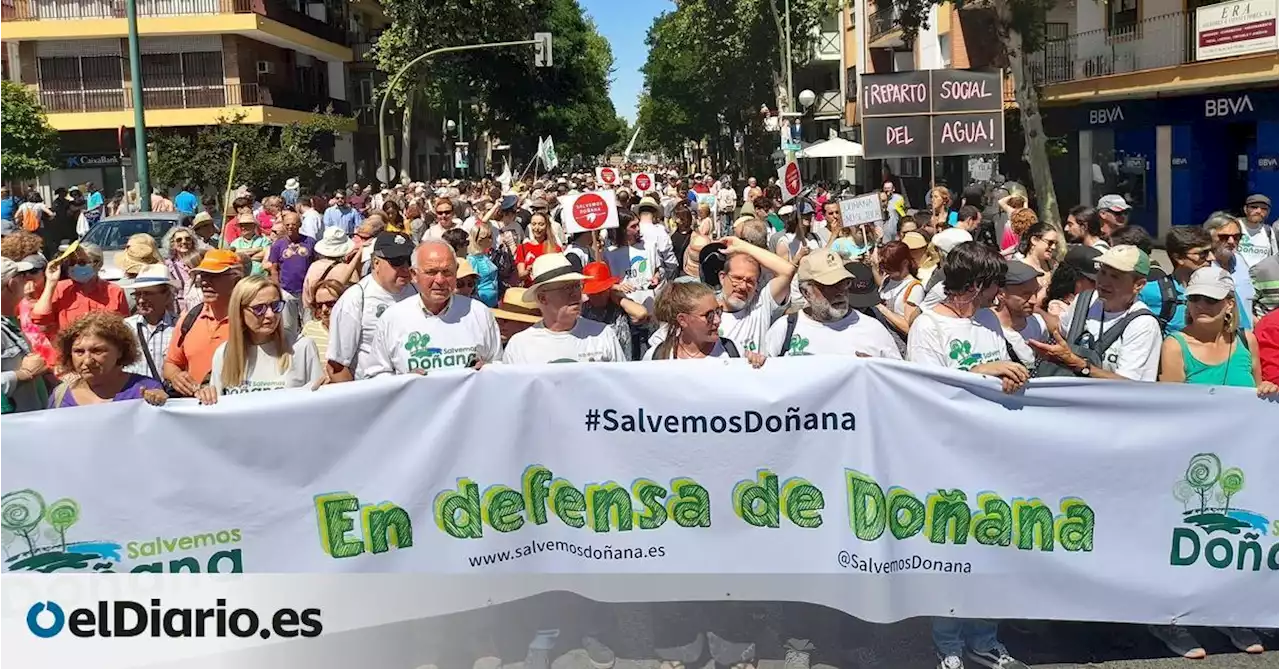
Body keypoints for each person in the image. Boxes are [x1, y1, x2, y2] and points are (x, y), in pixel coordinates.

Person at [907, 242, 1029, 393]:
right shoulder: (927, 327)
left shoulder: (989, 317)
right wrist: (977, 372)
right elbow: (928, 391)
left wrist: (1010, 377)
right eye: (998, 282)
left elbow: (1004, 367)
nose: (1000, 290)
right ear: (975, 285)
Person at [366, 241, 502, 376]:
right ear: (414, 274)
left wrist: (487, 370)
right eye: (431, 272)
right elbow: (376, 375)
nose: (440, 280)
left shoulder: (479, 313)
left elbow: (498, 367)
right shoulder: (393, 319)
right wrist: (404, 383)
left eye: (447, 272)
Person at [1030, 245, 1162, 381]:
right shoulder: (1085, 300)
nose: (1104, 281)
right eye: (1103, 272)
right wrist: (1032, 309)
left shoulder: (1143, 324)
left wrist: (1080, 365)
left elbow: (1127, 384)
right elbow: (1061, 327)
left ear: (1138, 285)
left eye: (1115, 277)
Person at [197, 275, 323, 403]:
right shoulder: (224, 353)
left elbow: (318, 405)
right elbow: (218, 409)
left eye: (276, 306)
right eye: (259, 309)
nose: (270, 315)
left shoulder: (302, 347)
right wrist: (207, 396)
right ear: (240, 311)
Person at [766, 250, 901, 359]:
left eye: (844, 283)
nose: (839, 292)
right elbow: (764, 379)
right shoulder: (784, 329)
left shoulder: (873, 330)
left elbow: (898, 381)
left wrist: (876, 371)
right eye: (829, 285)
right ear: (806, 292)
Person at [1159, 267, 1274, 392]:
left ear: (1230, 304)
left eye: (1210, 299)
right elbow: (1172, 402)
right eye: (1194, 298)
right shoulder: (1175, 346)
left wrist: (1267, 389)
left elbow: (1256, 392)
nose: (1201, 305)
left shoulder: (1247, 340)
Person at [326, 232, 419, 381]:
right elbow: (337, 365)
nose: (405, 268)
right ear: (376, 262)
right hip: (373, 392)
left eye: (409, 260)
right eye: (397, 261)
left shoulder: (417, 292)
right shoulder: (356, 299)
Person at [503, 254, 628, 364]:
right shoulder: (519, 347)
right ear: (542, 298)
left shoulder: (602, 335)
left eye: (576, 286)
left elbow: (621, 386)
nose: (575, 294)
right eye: (566, 288)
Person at [1139, 226, 1250, 335]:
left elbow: (1244, 333)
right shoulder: (1150, 293)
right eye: (1203, 254)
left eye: (1211, 251)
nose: (1212, 258)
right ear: (1179, 258)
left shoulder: (1223, 288)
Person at [162, 249, 242, 397]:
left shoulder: (248, 319)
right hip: (196, 410)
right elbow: (170, 364)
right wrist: (175, 377)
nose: (205, 282)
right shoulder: (189, 318)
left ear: (236, 279)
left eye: (214, 276)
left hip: (235, 408)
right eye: (203, 276)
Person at [48, 312, 167, 409]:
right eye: (79, 352)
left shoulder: (146, 390)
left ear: (120, 351)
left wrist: (160, 403)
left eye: (97, 351)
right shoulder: (60, 396)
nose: (88, 361)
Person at [644, 279, 764, 366]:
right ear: (683, 320)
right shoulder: (657, 356)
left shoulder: (733, 351)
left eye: (718, 311)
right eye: (709, 316)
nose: (717, 320)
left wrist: (756, 363)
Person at [32, 242, 129, 341]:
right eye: (71, 263)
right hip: (70, 353)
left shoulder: (114, 292)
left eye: (81, 263)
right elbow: (39, 319)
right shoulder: (60, 289)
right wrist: (50, 282)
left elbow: (124, 331)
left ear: (98, 264)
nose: (74, 267)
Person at [0, 257, 48, 413]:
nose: (26, 280)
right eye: (21, 276)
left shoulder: (7, 321)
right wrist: (24, 374)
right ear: (11, 284)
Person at [264, 211, 316, 335]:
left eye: (293, 224)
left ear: (299, 225)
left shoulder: (310, 242)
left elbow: (315, 263)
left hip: (306, 289)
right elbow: (274, 268)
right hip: (286, 290)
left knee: (309, 323)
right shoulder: (278, 245)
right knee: (288, 326)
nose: (290, 227)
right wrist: (277, 288)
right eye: (287, 224)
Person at [122, 264, 177, 382]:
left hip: (169, 397)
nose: (141, 300)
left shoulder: (180, 327)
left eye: (148, 294)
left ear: (167, 296)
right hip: (135, 397)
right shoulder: (125, 328)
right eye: (137, 294)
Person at [993, 261, 1051, 367]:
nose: (1033, 300)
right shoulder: (988, 329)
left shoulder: (1038, 323)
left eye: (1035, 292)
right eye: (1025, 294)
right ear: (1001, 293)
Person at [876, 240, 923, 337]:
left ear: (905, 263)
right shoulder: (887, 279)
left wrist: (882, 309)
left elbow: (908, 328)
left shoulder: (914, 288)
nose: (886, 271)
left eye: (890, 267)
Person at [302, 279, 347, 363]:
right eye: (319, 305)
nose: (324, 309)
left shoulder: (353, 331)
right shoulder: (309, 330)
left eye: (330, 304)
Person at [516, 211, 562, 287]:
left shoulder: (555, 248)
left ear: (547, 226)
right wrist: (527, 271)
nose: (537, 228)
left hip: (549, 290)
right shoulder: (522, 248)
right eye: (534, 224)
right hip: (529, 290)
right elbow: (521, 275)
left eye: (541, 224)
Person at [1237, 193, 1277, 269]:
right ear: (1245, 209)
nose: (1259, 211)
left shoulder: (1268, 231)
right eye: (1254, 207)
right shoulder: (1234, 226)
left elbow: (1274, 258)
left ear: (1268, 213)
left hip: (1260, 278)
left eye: (1264, 209)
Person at [466, 225, 501, 308]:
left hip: (492, 301)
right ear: (479, 240)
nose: (491, 239)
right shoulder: (472, 259)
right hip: (481, 302)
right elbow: (472, 283)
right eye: (488, 237)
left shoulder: (487, 256)